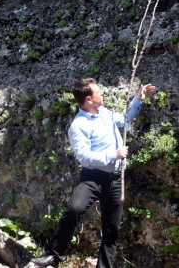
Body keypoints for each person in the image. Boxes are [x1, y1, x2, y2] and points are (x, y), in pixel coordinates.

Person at [32, 78, 155, 268]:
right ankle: (53, 254)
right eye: (99, 92)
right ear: (89, 99)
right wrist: (113, 155)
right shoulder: (78, 125)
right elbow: (84, 157)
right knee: (75, 208)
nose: (102, 94)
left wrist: (138, 98)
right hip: (93, 178)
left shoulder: (105, 113)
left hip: (115, 179)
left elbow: (124, 118)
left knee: (111, 229)